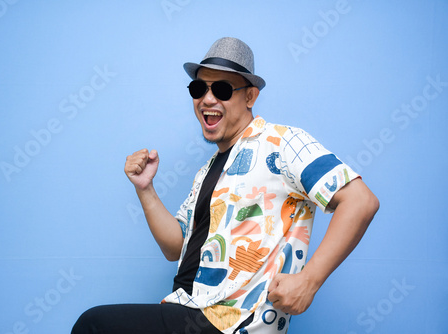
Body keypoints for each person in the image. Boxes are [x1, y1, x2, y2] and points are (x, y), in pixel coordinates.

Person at [72, 37, 379, 334]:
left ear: (250, 96)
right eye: (198, 88)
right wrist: (145, 188)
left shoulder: (282, 143)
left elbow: (360, 201)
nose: (207, 98)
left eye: (221, 88)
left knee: (93, 326)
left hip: (231, 321)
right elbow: (176, 247)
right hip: (188, 308)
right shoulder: (207, 172)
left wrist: (310, 280)